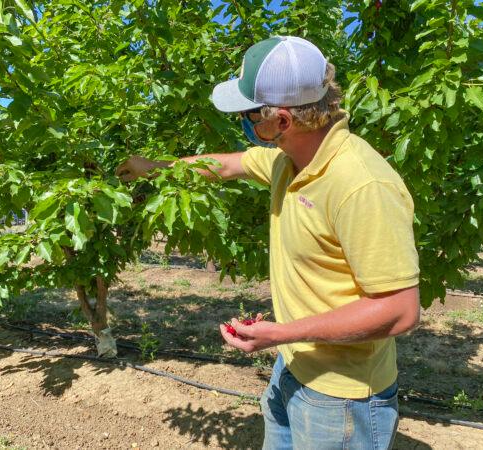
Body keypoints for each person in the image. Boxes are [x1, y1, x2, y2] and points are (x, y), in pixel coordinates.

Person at [117, 36, 420, 450]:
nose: (241, 122)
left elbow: (400, 311)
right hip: (292, 364)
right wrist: (157, 169)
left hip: (340, 396)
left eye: (246, 114)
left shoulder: (361, 184)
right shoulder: (289, 159)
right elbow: (228, 164)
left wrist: (281, 333)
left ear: (280, 120)